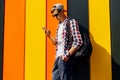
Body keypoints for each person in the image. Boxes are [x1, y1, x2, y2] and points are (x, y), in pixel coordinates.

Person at [43, 3, 83, 80]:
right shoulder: (59, 25)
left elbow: (78, 41)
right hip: (57, 58)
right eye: (54, 16)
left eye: (56, 15)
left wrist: (67, 55)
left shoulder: (71, 22)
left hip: (65, 58)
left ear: (62, 12)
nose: (55, 17)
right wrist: (49, 36)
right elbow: (56, 43)